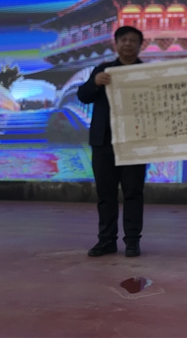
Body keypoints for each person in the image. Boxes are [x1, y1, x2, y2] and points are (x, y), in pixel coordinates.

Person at [77, 25, 148, 258]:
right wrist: (95, 83)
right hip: (104, 141)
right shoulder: (103, 70)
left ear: (140, 45)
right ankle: (106, 240)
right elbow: (83, 96)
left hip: (134, 142)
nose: (128, 44)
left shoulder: (147, 73)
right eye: (123, 39)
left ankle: (132, 241)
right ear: (116, 44)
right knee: (105, 194)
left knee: (133, 193)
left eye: (133, 40)